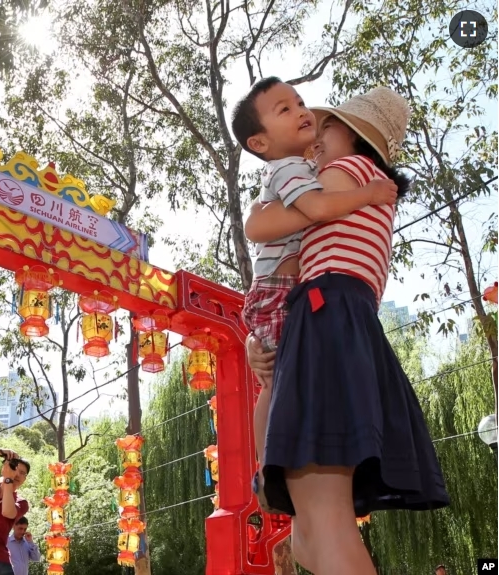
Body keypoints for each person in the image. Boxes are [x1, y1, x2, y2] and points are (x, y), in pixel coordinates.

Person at [244, 86, 450, 574]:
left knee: (323, 515)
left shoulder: (349, 173)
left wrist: (257, 214)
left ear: (356, 138)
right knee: (313, 526)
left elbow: (283, 220)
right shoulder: (366, 188)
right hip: (329, 316)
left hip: (325, 315)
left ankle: (271, 480)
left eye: (326, 128)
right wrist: (269, 338)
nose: (315, 138)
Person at [230, 76, 398, 512]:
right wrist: (370, 195)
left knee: (278, 378)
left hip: (286, 290)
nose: (307, 116)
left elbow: (266, 222)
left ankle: (272, 463)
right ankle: (269, 464)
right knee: (276, 380)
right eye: (285, 109)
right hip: (280, 290)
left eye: (301, 103)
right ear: (260, 140)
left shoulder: (319, 171)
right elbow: (315, 210)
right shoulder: (295, 172)